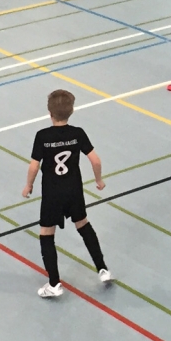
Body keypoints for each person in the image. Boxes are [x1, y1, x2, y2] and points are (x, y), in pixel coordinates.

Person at [22, 89, 112, 298]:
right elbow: (95, 160)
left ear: (50, 113)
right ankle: (102, 269)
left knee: (47, 233)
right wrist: (98, 180)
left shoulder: (42, 136)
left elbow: (34, 166)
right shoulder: (77, 133)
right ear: (71, 111)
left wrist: (28, 185)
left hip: (52, 193)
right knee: (83, 225)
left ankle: (54, 284)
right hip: (74, 190)